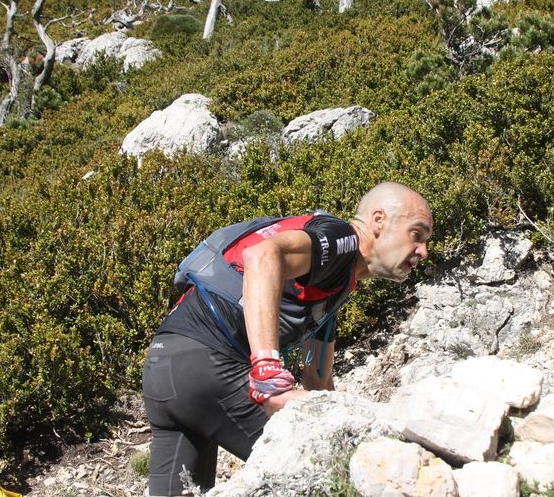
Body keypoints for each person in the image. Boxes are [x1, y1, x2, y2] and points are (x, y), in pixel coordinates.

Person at [142, 182, 433, 496]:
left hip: (165, 368)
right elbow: (263, 254)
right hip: (208, 364)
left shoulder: (331, 288)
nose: (423, 251)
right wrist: (267, 370)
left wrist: (340, 411)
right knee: (337, 469)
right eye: (416, 234)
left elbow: (317, 378)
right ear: (378, 221)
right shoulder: (342, 240)